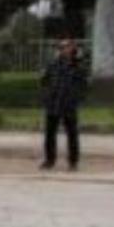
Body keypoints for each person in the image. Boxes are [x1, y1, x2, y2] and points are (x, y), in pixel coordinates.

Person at [40, 38, 89, 172]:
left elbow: (83, 86)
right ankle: (49, 160)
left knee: (72, 134)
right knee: (50, 133)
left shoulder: (78, 67)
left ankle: (73, 162)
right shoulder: (53, 65)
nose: (63, 50)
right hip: (53, 103)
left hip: (69, 104)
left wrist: (76, 99)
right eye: (61, 48)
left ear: (73, 49)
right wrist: (47, 97)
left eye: (66, 47)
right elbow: (45, 81)